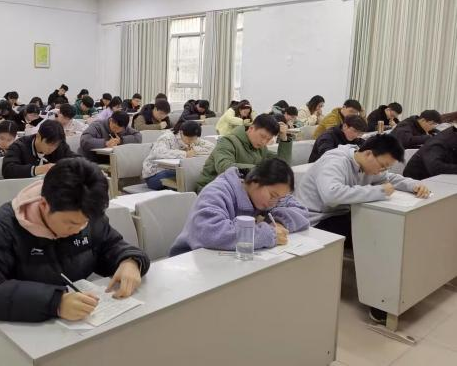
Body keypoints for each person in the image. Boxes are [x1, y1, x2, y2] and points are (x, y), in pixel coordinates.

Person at [0, 157, 150, 353]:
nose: (79, 229)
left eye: (84, 222)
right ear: (44, 205)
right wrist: (55, 302)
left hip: (70, 333)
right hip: (11, 340)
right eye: (70, 223)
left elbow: (111, 244)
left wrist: (129, 260)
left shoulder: (85, 214)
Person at [295, 135, 429, 324]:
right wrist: (379, 191)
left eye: (387, 167)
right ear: (368, 154)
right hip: (317, 220)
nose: (383, 170)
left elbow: (388, 178)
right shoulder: (335, 161)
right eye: (383, 165)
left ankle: (394, 293)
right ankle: (380, 303)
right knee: (375, 237)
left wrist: (413, 184)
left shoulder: (369, 166)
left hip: (341, 214)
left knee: (386, 229)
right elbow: (331, 195)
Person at [170, 159, 310, 256]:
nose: (274, 202)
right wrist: (269, 234)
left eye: (279, 198)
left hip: (230, 261)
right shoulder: (218, 191)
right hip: (192, 260)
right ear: (255, 181)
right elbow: (208, 232)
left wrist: (278, 223)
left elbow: (301, 211)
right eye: (272, 195)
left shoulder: (270, 196)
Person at [195, 114, 292, 192]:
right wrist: (260, 170)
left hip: (239, 190)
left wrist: (284, 138)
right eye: (262, 136)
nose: (264, 142)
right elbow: (224, 167)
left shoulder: (260, 148)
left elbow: (282, 166)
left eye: (268, 139)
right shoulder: (227, 141)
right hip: (212, 190)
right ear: (251, 128)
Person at [142, 121, 214, 190]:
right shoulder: (167, 137)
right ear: (181, 133)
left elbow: (211, 147)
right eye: (189, 139)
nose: (191, 142)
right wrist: (185, 154)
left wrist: (195, 150)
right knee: (187, 173)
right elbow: (159, 152)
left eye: (194, 139)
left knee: (195, 172)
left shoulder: (192, 138)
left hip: (174, 170)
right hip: (154, 175)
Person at [2, 120, 74, 179]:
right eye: (49, 144)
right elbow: (7, 170)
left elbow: (75, 160)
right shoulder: (19, 146)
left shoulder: (59, 145)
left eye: (55, 145)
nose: (52, 148)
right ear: (38, 136)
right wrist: (38, 169)